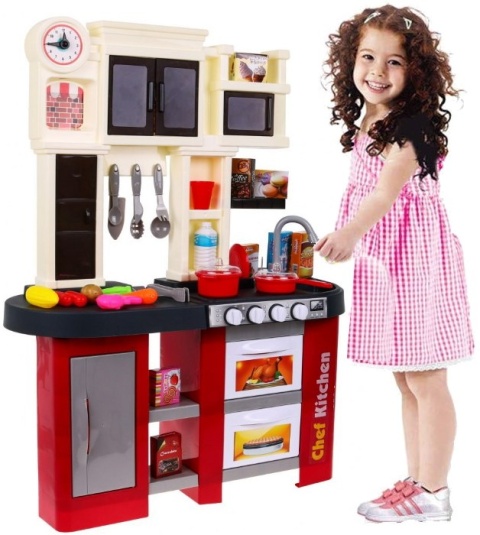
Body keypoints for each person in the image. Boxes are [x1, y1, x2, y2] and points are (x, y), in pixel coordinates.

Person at [314, 4, 474, 523]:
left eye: (395, 62)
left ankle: (435, 489)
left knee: (426, 377)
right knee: (407, 378)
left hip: (417, 261)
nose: (377, 71)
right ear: (350, 60)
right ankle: (419, 481)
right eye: (367, 57)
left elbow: (384, 195)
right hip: (392, 263)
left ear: (416, 71)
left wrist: (350, 233)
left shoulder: (410, 127)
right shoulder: (372, 118)